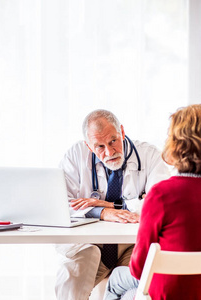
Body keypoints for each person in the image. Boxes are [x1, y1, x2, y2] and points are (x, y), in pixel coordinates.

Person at [104, 104, 201, 300]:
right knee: (130, 294)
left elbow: (139, 269)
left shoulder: (162, 195)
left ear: (176, 144)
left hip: (173, 293)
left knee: (115, 280)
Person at [55, 109, 171, 300]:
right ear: (89, 146)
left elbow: (160, 205)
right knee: (71, 282)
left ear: (122, 132)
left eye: (113, 141)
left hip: (131, 245)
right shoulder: (75, 156)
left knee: (136, 292)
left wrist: (109, 206)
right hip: (89, 244)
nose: (109, 152)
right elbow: (59, 204)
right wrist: (100, 212)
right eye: (99, 146)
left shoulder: (149, 156)